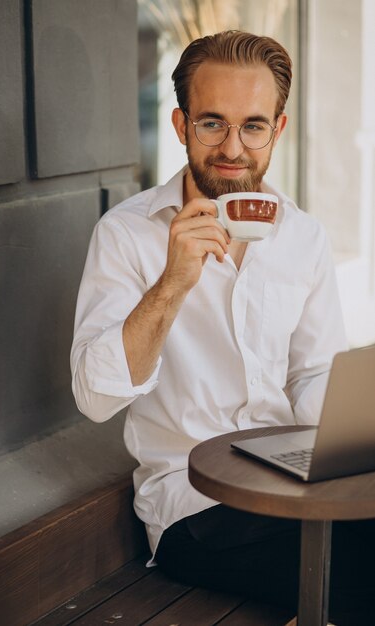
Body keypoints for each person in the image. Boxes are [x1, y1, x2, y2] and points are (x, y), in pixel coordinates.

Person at [71, 30, 375, 624]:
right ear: (182, 126)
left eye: (253, 126)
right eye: (213, 124)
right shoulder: (126, 234)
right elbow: (95, 397)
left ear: (278, 131)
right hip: (196, 503)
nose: (233, 148)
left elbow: (313, 373)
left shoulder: (304, 236)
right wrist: (173, 283)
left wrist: (355, 427)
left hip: (297, 482)